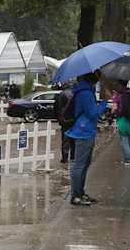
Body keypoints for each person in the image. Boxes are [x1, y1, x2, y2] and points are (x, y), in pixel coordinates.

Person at [66, 72, 110, 206]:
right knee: (80, 164)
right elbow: (93, 114)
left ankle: (80, 192)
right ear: (93, 79)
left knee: (84, 164)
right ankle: (75, 195)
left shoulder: (85, 90)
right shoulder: (85, 93)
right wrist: (104, 103)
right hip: (83, 131)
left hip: (85, 130)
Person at [54, 85, 76, 164]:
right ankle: (73, 156)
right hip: (73, 120)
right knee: (74, 139)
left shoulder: (60, 95)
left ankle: (65, 158)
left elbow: (56, 108)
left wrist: (59, 118)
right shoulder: (75, 94)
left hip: (64, 121)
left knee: (65, 140)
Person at [114, 80, 130, 166]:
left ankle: (128, 160)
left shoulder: (118, 96)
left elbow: (114, 109)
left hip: (123, 120)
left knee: (124, 140)